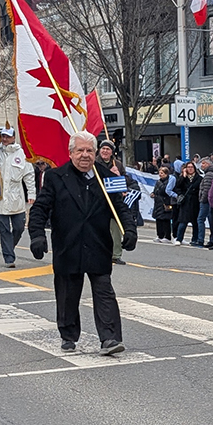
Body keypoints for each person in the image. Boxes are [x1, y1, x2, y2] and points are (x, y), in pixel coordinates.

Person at [28, 131, 136, 354]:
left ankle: (110, 338)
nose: (85, 155)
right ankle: (68, 334)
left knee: (104, 292)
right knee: (67, 294)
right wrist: (37, 235)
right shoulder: (55, 177)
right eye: (80, 150)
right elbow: (40, 209)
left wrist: (129, 229)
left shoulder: (108, 177)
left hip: (98, 245)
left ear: (95, 153)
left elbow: (120, 207)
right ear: (71, 153)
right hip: (68, 245)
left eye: (89, 150)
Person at [0, 127, 35, 267]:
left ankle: (9, 246)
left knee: (19, 227)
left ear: (14, 138)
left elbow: (29, 175)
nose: (5, 139)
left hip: (16, 197)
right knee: (4, 229)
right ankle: (9, 258)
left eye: (8, 136)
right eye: (3, 136)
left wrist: (31, 193)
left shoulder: (21, 153)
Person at [96, 140, 130, 264]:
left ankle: (116, 255)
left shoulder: (118, 164)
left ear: (112, 152)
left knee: (116, 229)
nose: (105, 151)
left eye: (108, 149)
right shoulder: (94, 163)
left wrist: (118, 175)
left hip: (114, 201)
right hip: (98, 200)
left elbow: (127, 180)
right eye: (103, 148)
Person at [173, 160, 201, 245]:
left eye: (192, 167)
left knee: (195, 222)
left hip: (195, 202)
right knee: (183, 222)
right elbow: (177, 187)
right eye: (188, 167)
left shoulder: (199, 178)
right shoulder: (183, 178)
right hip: (185, 202)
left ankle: (195, 239)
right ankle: (179, 238)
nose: (190, 169)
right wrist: (183, 176)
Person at [151, 163, 175, 240]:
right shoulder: (158, 181)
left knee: (165, 220)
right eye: (159, 173)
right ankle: (160, 235)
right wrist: (153, 193)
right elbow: (156, 190)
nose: (160, 175)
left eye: (162, 173)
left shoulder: (169, 181)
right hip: (158, 202)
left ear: (166, 174)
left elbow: (165, 191)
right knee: (158, 220)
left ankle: (167, 236)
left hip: (165, 202)